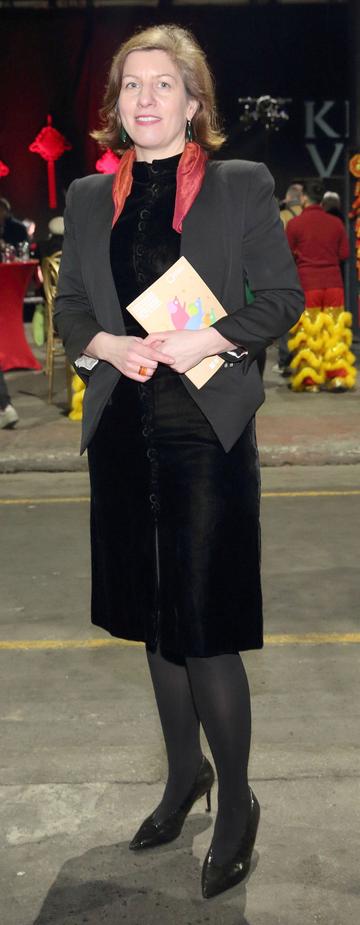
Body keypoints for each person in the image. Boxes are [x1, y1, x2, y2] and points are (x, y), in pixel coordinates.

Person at [55, 24, 303, 900]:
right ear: (116, 107)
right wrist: (101, 343)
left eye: (164, 84)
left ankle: (236, 802)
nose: (146, 98)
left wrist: (208, 333)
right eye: (131, 85)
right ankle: (182, 776)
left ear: (194, 103)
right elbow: (71, 308)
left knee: (205, 626)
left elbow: (282, 299)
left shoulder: (238, 185)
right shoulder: (90, 196)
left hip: (206, 428)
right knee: (154, 622)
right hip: (124, 429)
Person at [286, 178, 356, 392]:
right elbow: (344, 254)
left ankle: (310, 380)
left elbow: (287, 254)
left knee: (309, 332)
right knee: (334, 331)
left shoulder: (295, 224)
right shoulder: (335, 223)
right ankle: (336, 377)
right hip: (334, 284)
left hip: (309, 284)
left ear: (304, 198)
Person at [274, 181, 304, 375]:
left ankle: (286, 359)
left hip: (287, 273)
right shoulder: (309, 215)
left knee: (286, 315)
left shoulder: (281, 216)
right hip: (309, 274)